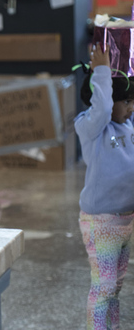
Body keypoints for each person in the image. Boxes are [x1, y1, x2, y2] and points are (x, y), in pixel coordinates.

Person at [75, 43, 134, 330]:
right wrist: (102, 69)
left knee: (115, 288)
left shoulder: (128, 124)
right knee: (103, 289)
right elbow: (104, 108)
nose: (131, 107)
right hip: (101, 223)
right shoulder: (91, 127)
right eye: (127, 101)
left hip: (126, 221)